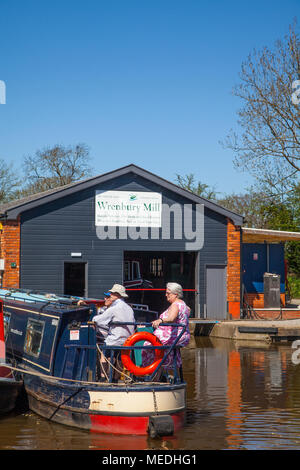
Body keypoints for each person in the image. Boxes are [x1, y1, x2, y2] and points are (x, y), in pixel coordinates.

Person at [142, 282, 190, 374]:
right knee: (157, 347)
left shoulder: (175, 305)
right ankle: (161, 372)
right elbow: (188, 310)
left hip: (175, 336)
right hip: (182, 335)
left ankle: (151, 371)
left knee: (147, 345)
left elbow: (171, 318)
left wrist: (160, 320)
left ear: (176, 294)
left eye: (168, 293)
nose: (166, 295)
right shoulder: (183, 304)